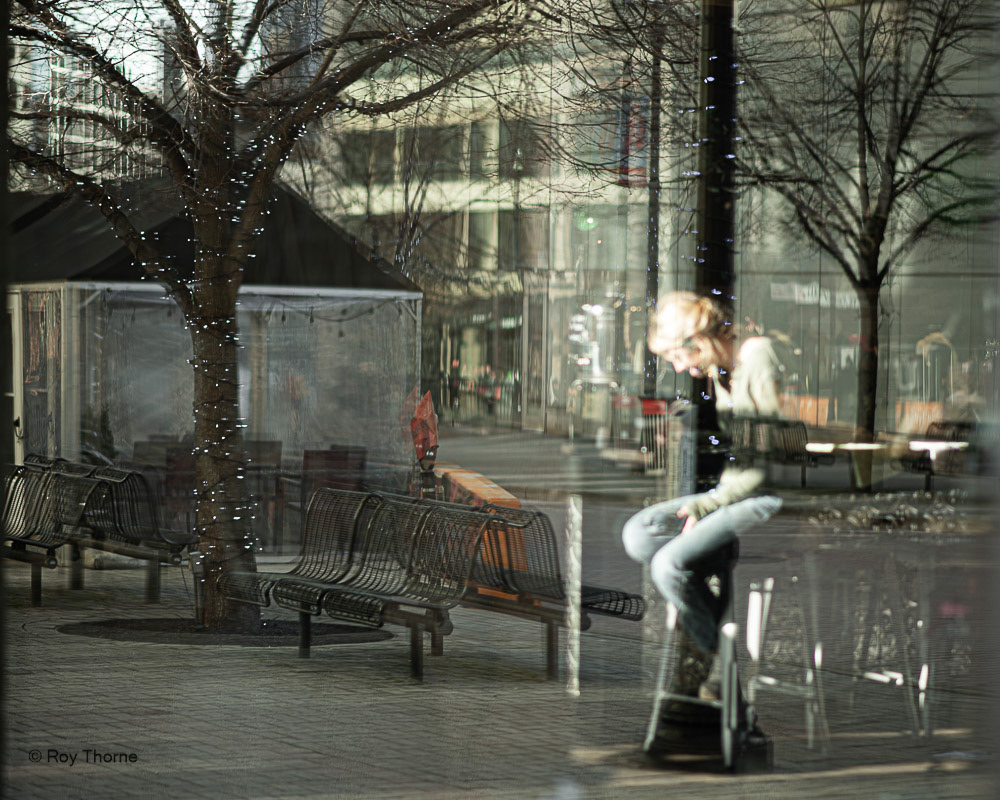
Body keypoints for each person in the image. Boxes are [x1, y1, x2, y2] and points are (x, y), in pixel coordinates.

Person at [622, 291, 784, 685]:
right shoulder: (721, 372)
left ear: (698, 340)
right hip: (739, 488)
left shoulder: (756, 357)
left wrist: (708, 506)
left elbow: (768, 458)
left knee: (667, 565)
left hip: (768, 495)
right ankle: (710, 620)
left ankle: (711, 657)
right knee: (640, 534)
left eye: (677, 356)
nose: (679, 367)